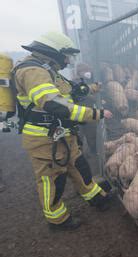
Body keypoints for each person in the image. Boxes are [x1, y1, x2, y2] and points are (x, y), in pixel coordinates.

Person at [13, 31, 114, 231]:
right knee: (53, 180)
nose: (68, 60)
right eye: (66, 55)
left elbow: (69, 91)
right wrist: (96, 113)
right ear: (54, 52)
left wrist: (92, 88)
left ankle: (96, 198)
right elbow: (55, 104)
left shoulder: (47, 69)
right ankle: (57, 220)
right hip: (44, 140)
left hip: (62, 134)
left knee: (79, 167)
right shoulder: (32, 72)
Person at [73, 62, 100, 158]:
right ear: (79, 72)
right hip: (78, 114)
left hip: (89, 113)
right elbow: (87, 95)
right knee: (79, 135)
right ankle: (79, 154)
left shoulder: (89, 82)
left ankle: (93, 151)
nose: (88, 72)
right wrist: (96, 98)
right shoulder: (75, 82)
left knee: (92, 134)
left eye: (88, 70)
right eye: (85, 71)